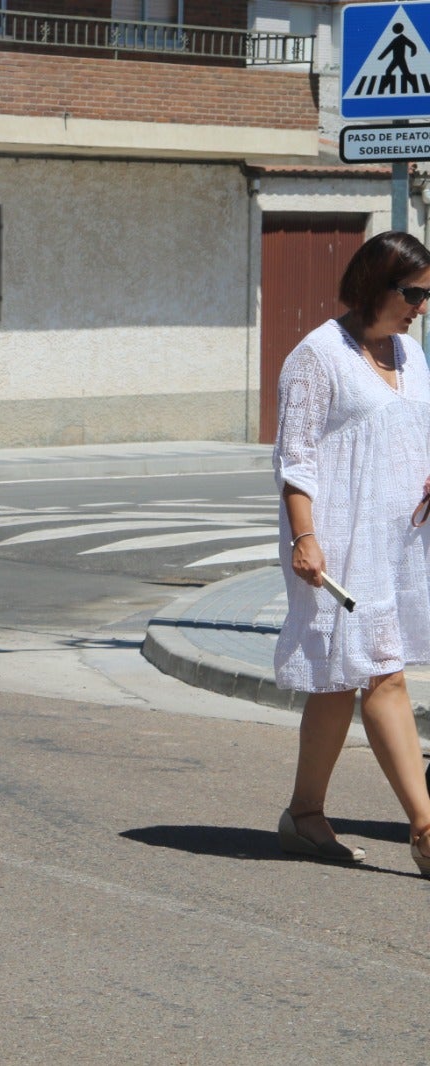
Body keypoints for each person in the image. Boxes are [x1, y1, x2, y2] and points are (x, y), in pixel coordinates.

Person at [272, 229, 430, 875]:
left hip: (402, 538)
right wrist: (305, 537)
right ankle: (426, 828)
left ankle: (304, 815)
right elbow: (296, 456)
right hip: (339, 541)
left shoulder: (412, 353)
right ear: (375, 286)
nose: (422, 306)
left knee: (339, 682)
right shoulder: (317, 355)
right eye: (413, 293)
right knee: (383, 676)